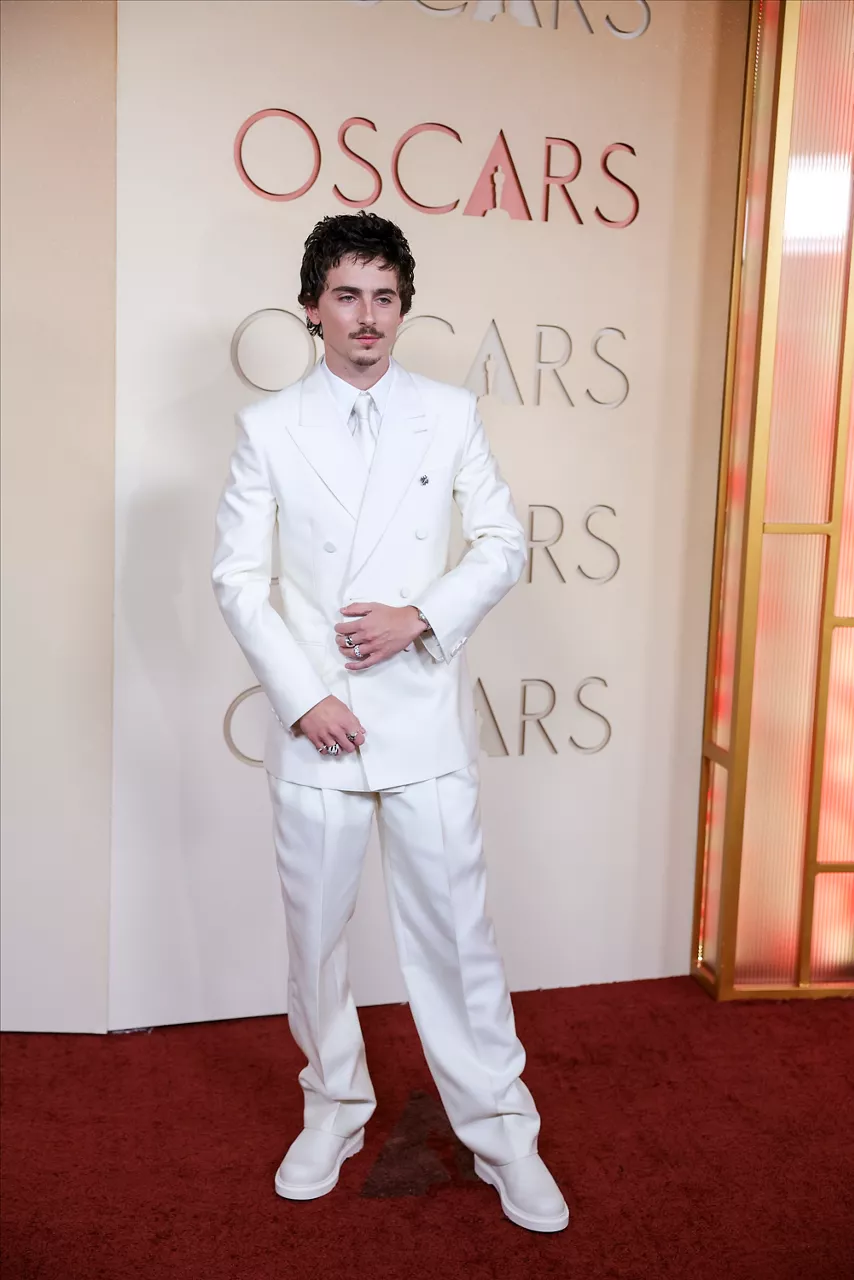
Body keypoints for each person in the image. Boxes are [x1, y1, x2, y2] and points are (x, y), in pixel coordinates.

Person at [211, 211, 569, 1233]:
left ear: (401, 307)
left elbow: (499, 542)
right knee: (316, 938)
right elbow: (238, 578)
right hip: (315, 720)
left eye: (383, 296)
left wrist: (423, 616)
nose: (365, 316)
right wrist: (305, 696)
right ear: (311, 306)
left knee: (457, 939)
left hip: (418, 715)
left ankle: (504, 1132)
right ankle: (331, 1107)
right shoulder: (267, 426)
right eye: (345, 294)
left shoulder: (448, 413)